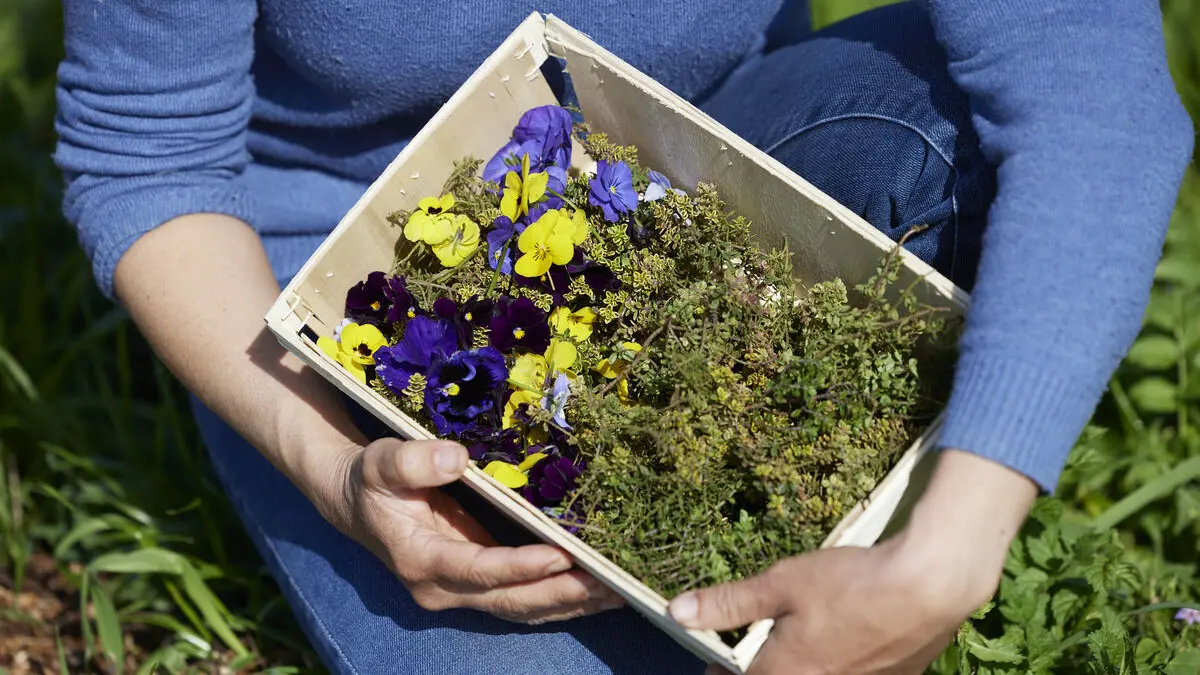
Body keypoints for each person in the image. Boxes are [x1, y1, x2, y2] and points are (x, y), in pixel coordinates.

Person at [54, 0, 1192, 673]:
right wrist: (332, 471)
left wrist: (952, 547)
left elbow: (1090, 85)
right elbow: (146, 158)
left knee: (954, 120)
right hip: (362, 305)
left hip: (701, 152)